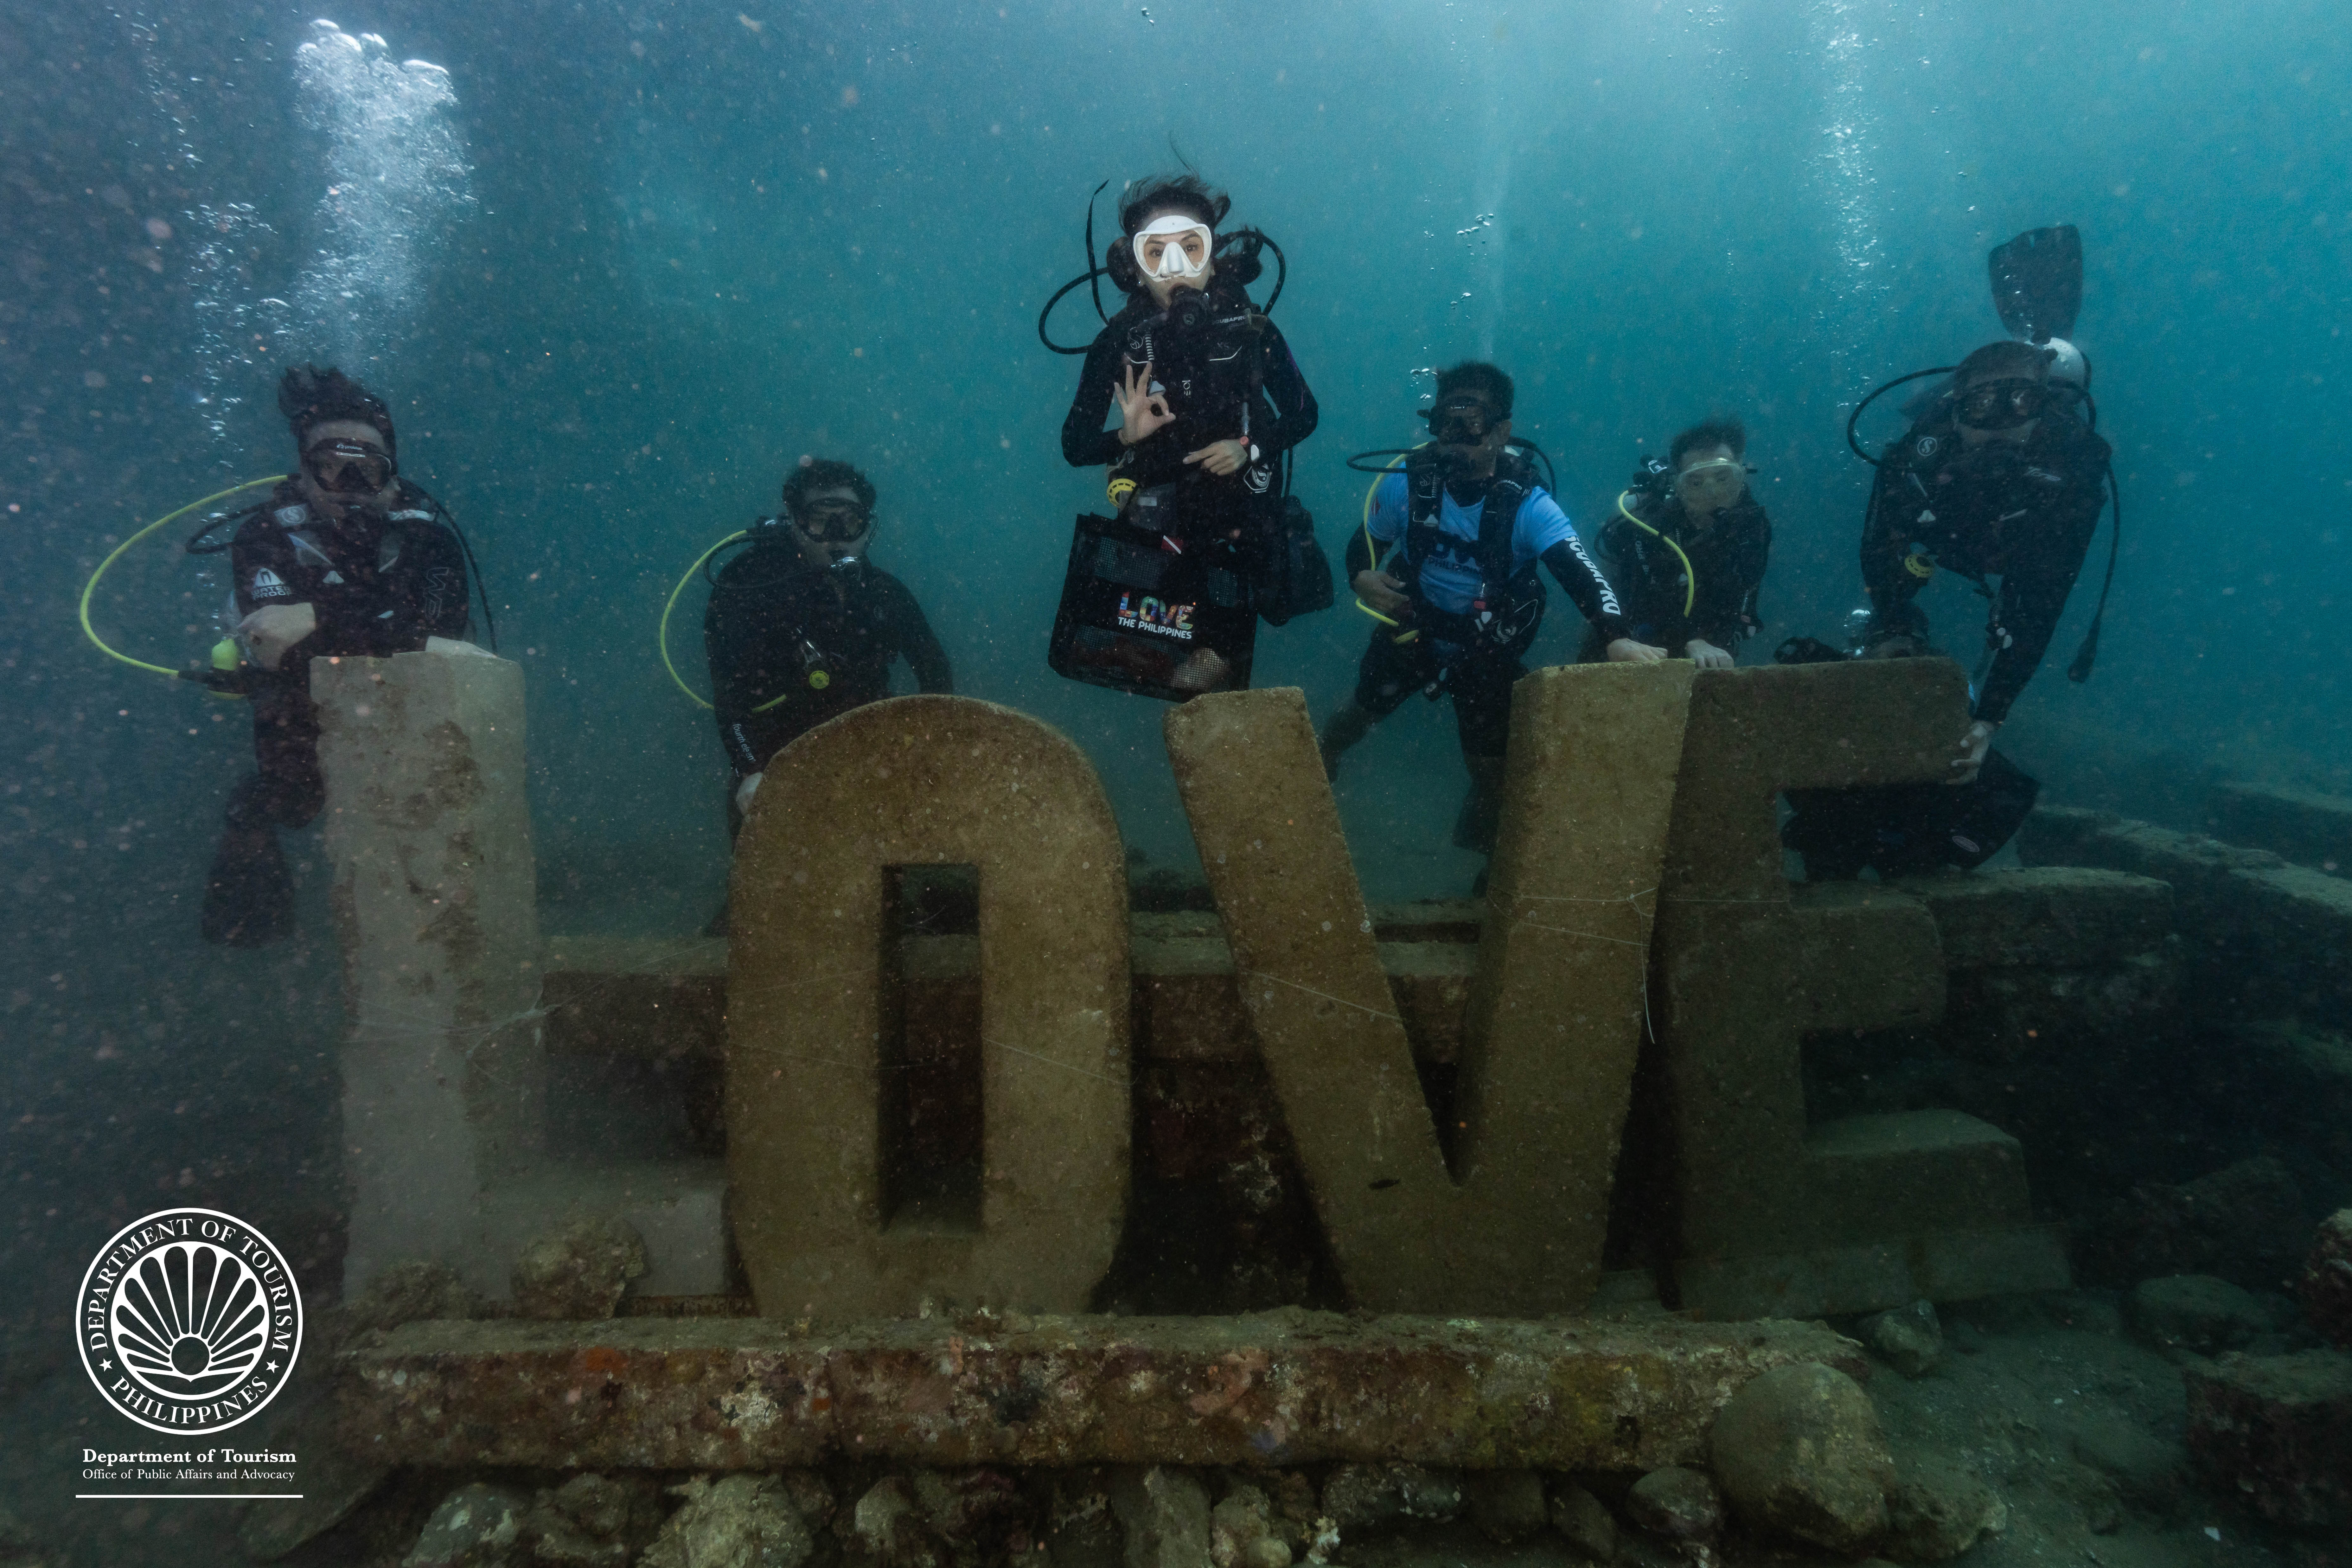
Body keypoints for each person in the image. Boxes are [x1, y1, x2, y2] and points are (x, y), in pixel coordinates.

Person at [1319, 362, 1665, 870]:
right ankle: (1324, 757)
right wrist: (1361, 577)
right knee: (1358, 714)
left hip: (1489, 644)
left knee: (1490, 766)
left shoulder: (1529, 503)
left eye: (1471, 426)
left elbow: (1580, 571)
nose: (1453, 441)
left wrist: (1614, 637)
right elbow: (1366, 543)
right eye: (1443, 424)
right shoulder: (1408, 485)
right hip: (1416, 625)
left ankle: (1494, 862)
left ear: (1503, 431)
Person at [201, 365, 476, 946]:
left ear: (392, 479)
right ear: (302, 472)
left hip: (410, 711)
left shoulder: (430, 540)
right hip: (302, 712)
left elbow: (447, 643)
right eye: (331, 465)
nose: (350, 481)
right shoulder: (265, 537)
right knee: (295, 806)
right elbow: (276, 647)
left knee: (430, 813)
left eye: (367, 467)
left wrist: (319, 619)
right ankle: (248, 820)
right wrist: (377, 631)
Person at [1059, 172, 1318, 693]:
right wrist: (1125, 439)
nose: (1175, 269)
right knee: (1164, 617)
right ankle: (1190, 661)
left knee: (1239, 623)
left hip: (1240, 506)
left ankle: (1206, 662)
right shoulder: (1118, 343)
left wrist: (1246, 447)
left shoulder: (1252, 330)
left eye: (1190, 248)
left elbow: (1303, 413)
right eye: (1156, 254)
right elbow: (1074, 446)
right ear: (1132, 266)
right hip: (1161, 509)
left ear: (1213, 255)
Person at [1857, 338, 2112, 784]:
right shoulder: (1916, 459)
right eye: (1980, 406)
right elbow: (1878, 550)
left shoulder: (2072, 477)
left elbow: (2041, 604)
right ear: (1955, 410)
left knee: (2014, 617)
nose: (1998, 423)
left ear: (2042, 408)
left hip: (2019, 549)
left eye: (2020, 402)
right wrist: (1893, 626)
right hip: (1943, 536)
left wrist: (1990, 716)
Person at [704, 458, 952, 834]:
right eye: (820, 520)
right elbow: (729, 694)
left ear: (867, 525)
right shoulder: (747, 586)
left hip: (872, 766)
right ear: (794, 522)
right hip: (772, 770)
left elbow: (935, 672)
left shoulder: (885, 593)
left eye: (849, 520)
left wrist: (928, 752)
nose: (836, 535)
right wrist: (749, 769)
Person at [1588, 417, 1771, 668]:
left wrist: (1706, 639)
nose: (1712, 494)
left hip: (1710, 646)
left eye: (1723, 478)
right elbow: (1634, 603)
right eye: (1696, 483)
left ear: (1742, 475)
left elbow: (1745, 604)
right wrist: (1691, 638)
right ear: (1678, 486)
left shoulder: (1753, 525)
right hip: (1632, 640)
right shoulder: (1649, 527)